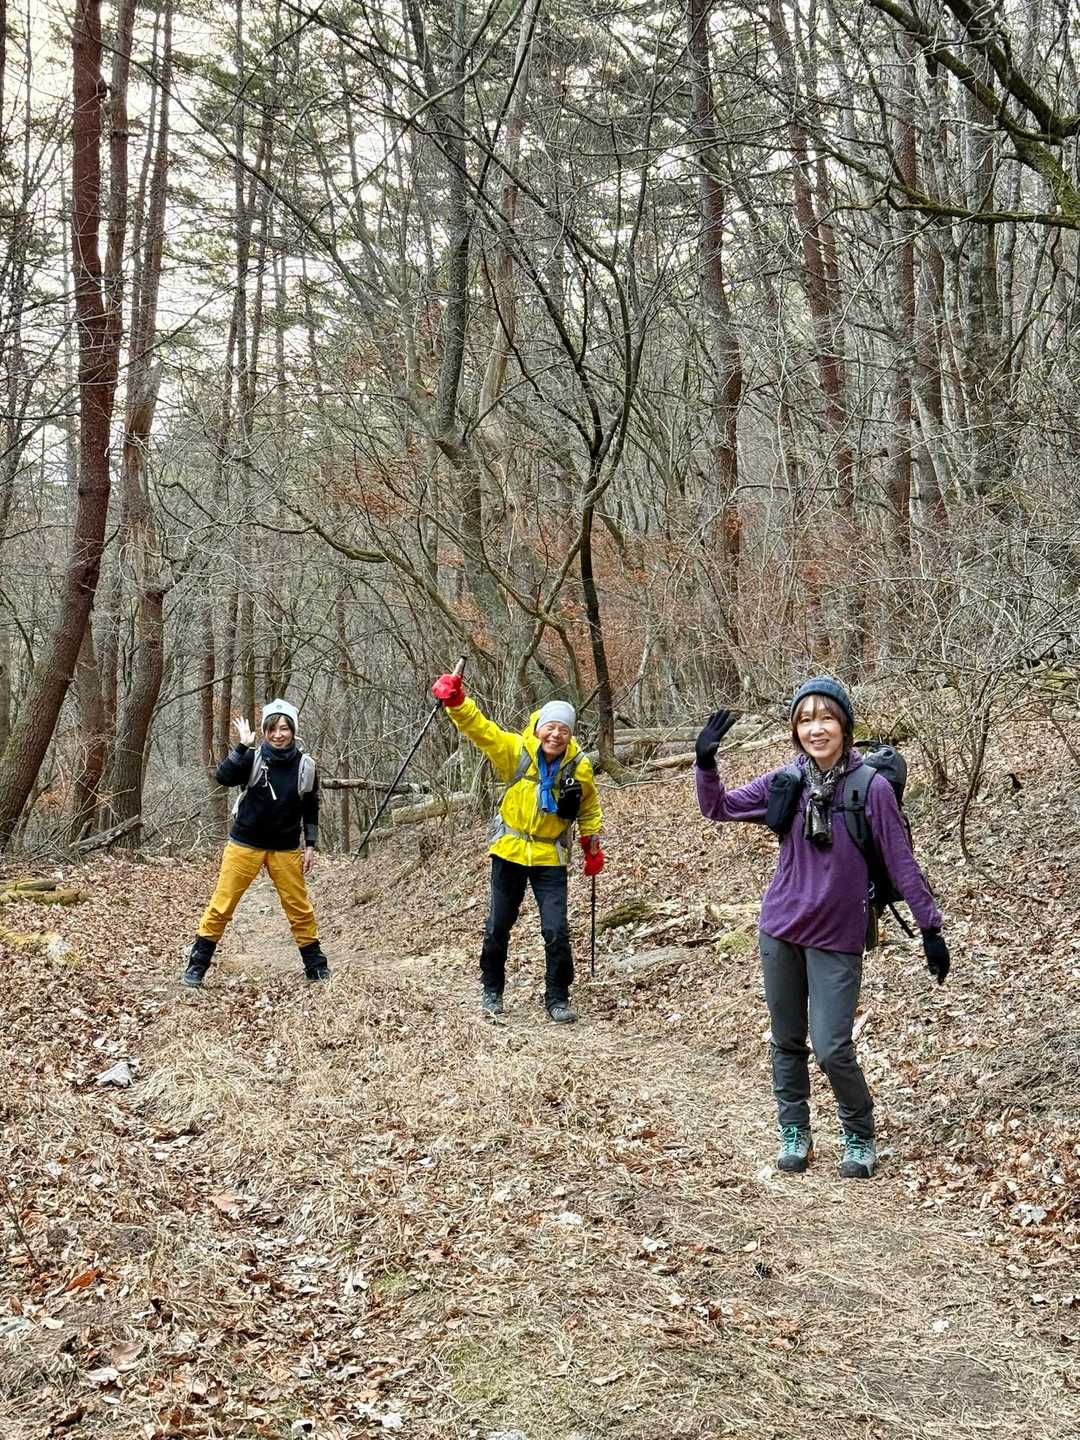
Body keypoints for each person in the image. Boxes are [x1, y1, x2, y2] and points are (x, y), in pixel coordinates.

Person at [693, 676, 949, 1179]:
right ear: (795, 729)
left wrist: (930, 929)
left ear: (845, 725)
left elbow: (901, 862)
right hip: (780, 928)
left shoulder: (871, 788)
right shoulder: (786, 781)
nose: (816, 728)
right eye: (806, 719)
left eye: (826, 717)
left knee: (832, 1047)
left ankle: (859, 1133)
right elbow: (717, 808)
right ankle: (795, 1130)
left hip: (837, 935)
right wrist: (705, 762)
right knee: (786, 1039)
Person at [431, 670, 604, 1023]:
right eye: (550, 727)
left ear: (571, 734)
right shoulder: (515, 751)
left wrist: (592, 844)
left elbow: (589, 808)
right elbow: (481, 730)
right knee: (498, 924)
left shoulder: (579, 766)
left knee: (556, 930)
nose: (556, 734)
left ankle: (557, 998)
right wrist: (457, 702)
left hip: (550, 855)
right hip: (509, 851)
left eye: (564, 730)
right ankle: (492, 989)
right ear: (538, 727)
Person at [182, 698, 330, 987]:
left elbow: (311, 806)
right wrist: (242, 746)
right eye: (272, 729)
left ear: (293, 730)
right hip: (244, 844)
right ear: (264, 731)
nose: (278, 734)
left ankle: (316, 967)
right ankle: (197, 966)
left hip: (286, 848)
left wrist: (310, 845)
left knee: (299, 910)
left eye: (284, 728)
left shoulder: (306, 766)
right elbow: (223, 777)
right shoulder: (252, 757)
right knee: (222, 906)